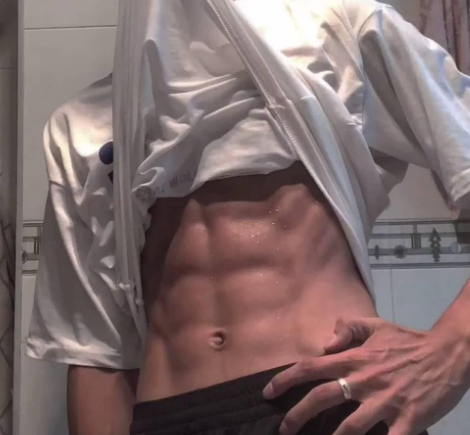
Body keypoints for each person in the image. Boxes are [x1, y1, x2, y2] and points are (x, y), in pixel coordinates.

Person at [26, 0, 470, 434]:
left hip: (326, 403)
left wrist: (451, 350)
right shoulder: (81, 130)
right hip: (171, 417)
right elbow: (98, 355)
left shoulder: (342, 29)